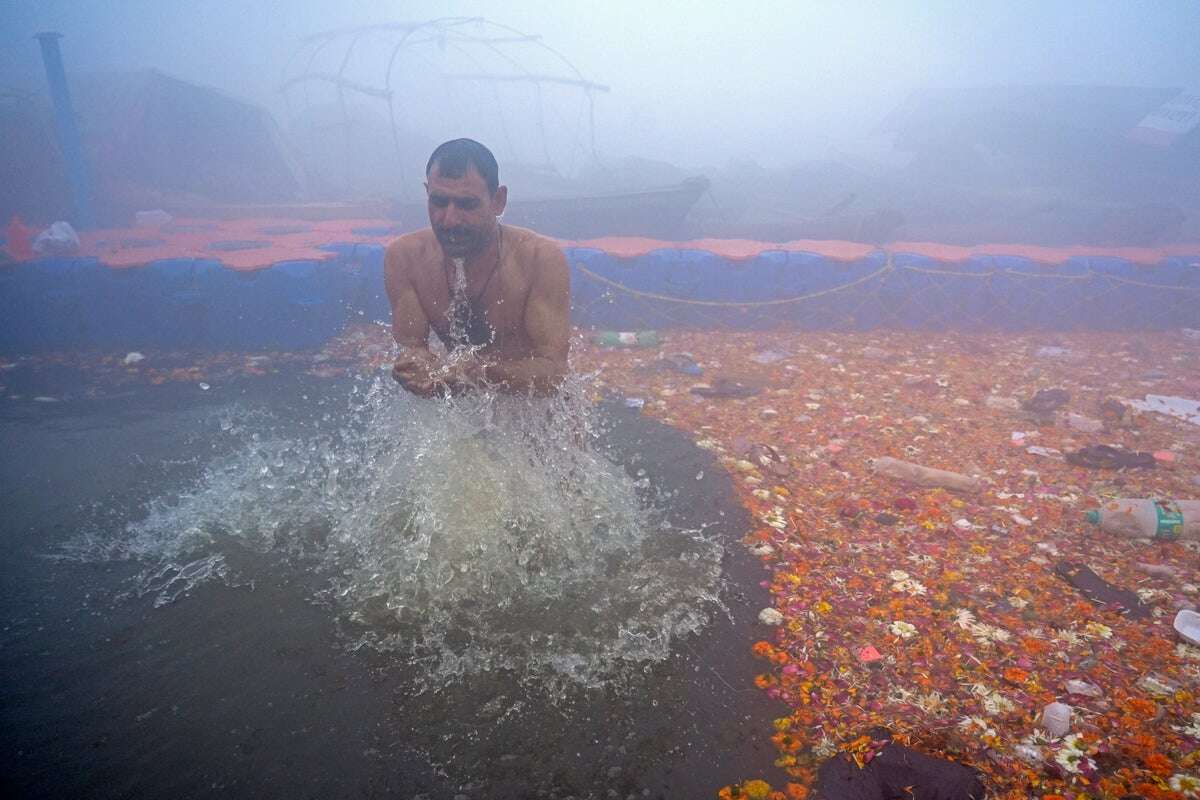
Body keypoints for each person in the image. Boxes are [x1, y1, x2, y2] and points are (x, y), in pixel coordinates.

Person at [385, 138, 570, 397]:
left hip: (531, 413)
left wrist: (480, 372)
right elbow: (411, 345)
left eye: (466, 204)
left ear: (498, 201)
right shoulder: (405, 258)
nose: (449, 220)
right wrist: (417, 363)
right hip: (461, 410)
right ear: (427, 193)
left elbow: (554, 373)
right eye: (438, 202)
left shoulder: (539, 260)